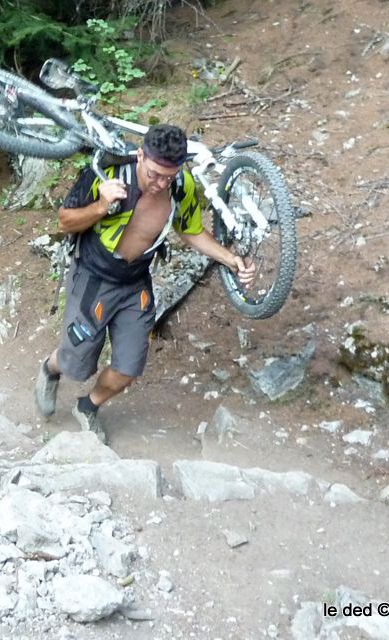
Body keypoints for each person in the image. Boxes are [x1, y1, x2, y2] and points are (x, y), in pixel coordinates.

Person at [33, 124, 256, 443]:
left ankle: (88, 406)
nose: (161, 183)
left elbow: (190, 230)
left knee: (129, 366)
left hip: (135, 281)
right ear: (140, 156)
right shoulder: (107, 173)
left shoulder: (181, 185)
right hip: (94, 276)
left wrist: (229, 259)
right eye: (154, 174)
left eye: (169, 175)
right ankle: (51, 368)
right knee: (77, 362)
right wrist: (101, 205)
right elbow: (65, 221)